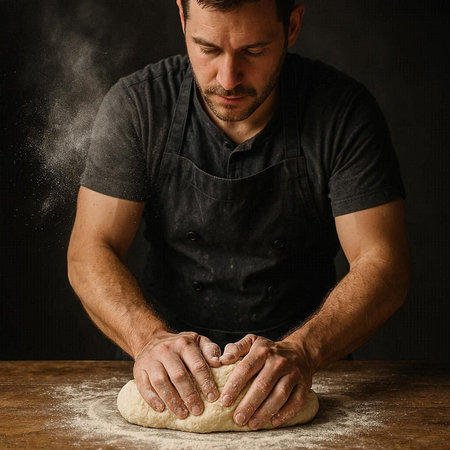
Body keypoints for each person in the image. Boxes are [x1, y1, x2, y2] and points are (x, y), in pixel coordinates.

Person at [67, 0, 410, 430]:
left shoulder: (343, 113)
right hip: (161, 373)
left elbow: (384, 262)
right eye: (208, 49)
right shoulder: (138, 107)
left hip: (307, 373)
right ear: (182, 19)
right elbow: (89, 249)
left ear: (293, 26)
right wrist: (147, 339)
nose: (228, 79)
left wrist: (304, 351)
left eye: (253, 50)